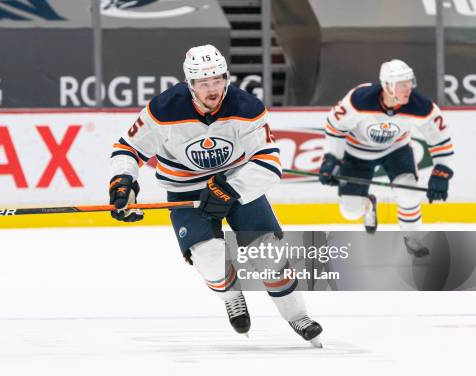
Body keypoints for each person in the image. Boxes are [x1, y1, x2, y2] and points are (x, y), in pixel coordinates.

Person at [108, 44, 322, 346]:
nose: (213, 89)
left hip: (235, 184)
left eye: (218, 80)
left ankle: (298, 316)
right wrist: (123, 181)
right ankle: (232, 295)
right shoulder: (163, 109)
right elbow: (127, 148)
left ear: (226, 78)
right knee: (209, 259)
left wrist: (228, 188)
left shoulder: (247, 108)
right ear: (190, 84)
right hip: (185, 189)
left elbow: (269, 164)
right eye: (204, 83)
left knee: (269, 257)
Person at [319, 59, 454, 257]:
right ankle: (368, 204)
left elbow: (441, 141)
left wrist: (442, 173)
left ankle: (412, 237)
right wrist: (331, 159)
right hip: (357, 152)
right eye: (402, 84)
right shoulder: (359, 99)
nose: (409, 88)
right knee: (350, 211)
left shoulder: (422, 107)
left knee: (409, 193)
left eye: (410, 82)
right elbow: (335, 127)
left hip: (396, 150)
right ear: (387, 85)